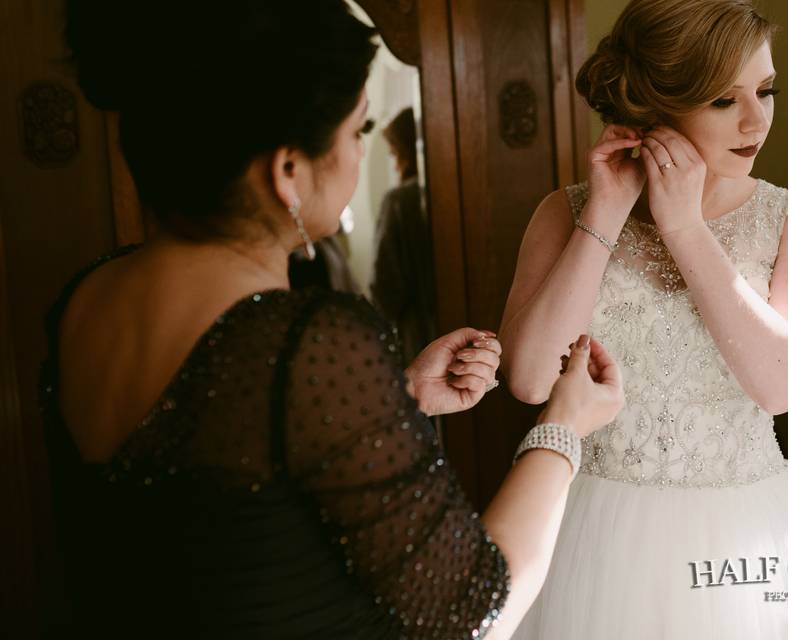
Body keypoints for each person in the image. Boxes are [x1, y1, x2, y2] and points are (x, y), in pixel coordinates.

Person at [43, 1, 624, 638]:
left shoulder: (86, 298)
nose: (357, 154)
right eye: (358, 133)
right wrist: (564, 426)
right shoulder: (309, 341)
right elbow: (474, 611)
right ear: (288, 171)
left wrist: (393, 399)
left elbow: (214, 497)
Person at [498, 0, 788, 637]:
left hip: (747, 535)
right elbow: (528, 380)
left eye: (767, 90)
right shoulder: (565, 212)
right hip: (589, 528)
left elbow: (781, 388)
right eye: (724, 101)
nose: (757, 120)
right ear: (655, 107)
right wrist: (604, 216)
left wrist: (686, 227)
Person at [370, 107, 436, 364]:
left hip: (418, 335)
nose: (396, 165)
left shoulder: (398, 201)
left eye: (396, 154)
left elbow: (385, 289)